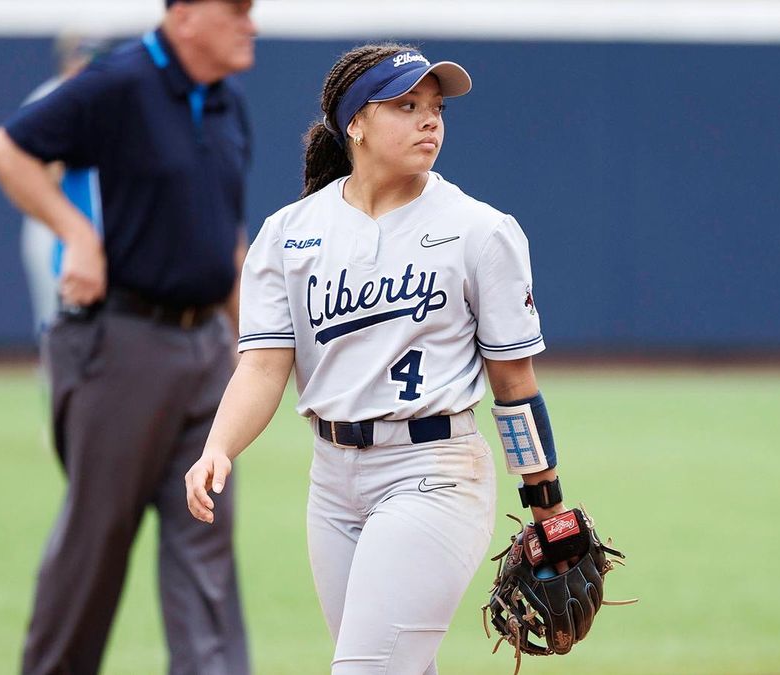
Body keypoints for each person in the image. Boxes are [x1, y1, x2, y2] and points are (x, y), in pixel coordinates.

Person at [186, 43, 573, 673]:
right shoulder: (290, 233)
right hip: (331, 484)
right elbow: (261, 366)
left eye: (436, 108)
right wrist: (218, 446)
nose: (429, 120)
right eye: (406, 105)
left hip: (435, 470)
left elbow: (514, 382)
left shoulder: (479, 230)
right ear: (355, 125)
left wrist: (547, 503)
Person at [0, 1, 256, 673]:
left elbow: (227, 245)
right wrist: (76, 233)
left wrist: (258, 350)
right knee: (93, 549)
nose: (252, 22)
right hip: (122, 344)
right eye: (238, 9)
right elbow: (5, 150)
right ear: (186, 15)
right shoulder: (119, 82)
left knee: (207, 556)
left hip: (208, 355)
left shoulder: (228, 108)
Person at [19, 34, 110, 338]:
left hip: (98, 224)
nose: (84, 67)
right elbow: (23, 166)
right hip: (53, 223)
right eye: (79, 58)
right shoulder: (51, 99)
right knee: (56, 321)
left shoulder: (110, 100)